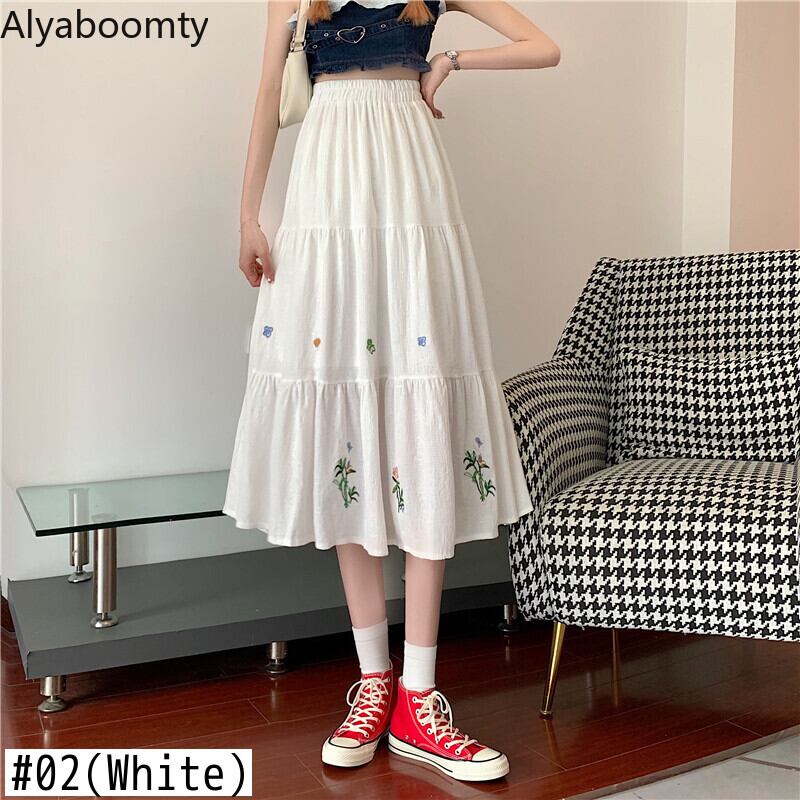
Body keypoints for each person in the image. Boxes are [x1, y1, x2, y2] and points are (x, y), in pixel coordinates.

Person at [223, 0, 560, 782]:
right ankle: (374, 680)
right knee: (345, 408)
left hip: (412, 192)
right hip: (327, 196)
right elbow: (268, 92)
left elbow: (543, 45)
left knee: (421, 410)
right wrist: (247, 216)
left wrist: (450, 62)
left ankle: (418, 696)